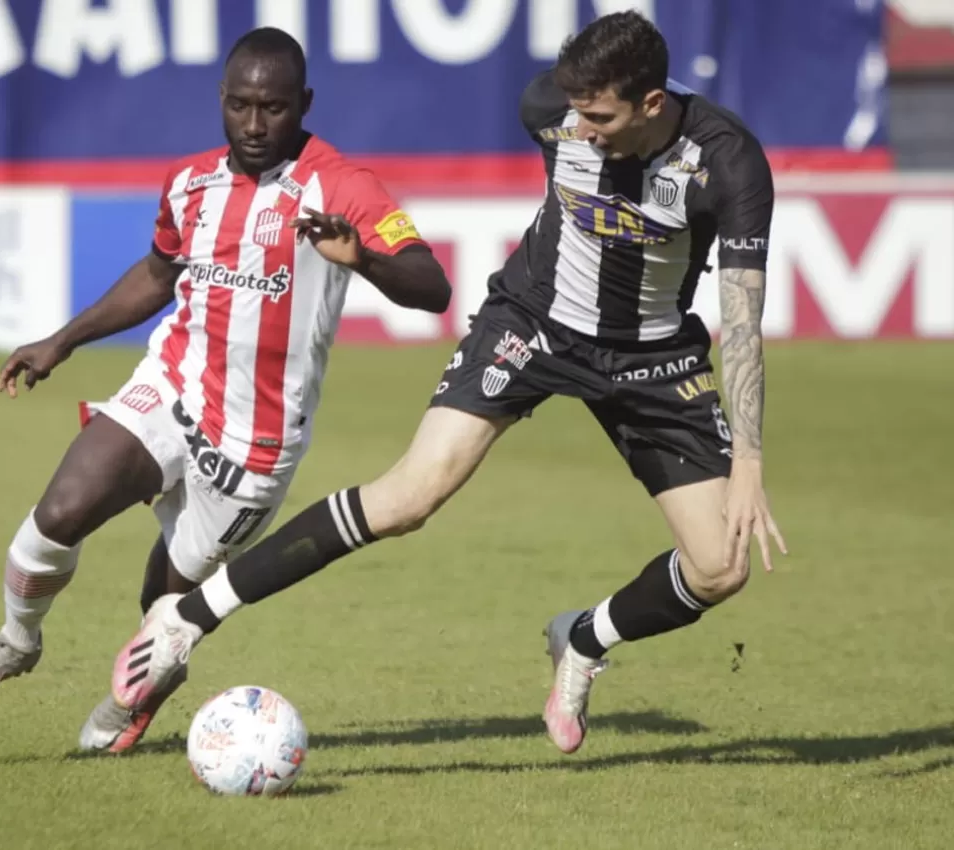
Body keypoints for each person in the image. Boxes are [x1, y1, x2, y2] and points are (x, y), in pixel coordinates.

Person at [111, 11, 790, 756]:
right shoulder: (549, 110)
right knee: (409, 496)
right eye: (577, 114)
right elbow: (569, 116)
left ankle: (583, 639)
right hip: (533, 324)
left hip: (651, 357)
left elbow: (743, 319)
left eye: (601, 118)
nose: (583, 130)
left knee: (721, 567)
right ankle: (187, 618)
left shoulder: (727, 162)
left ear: (653, 104)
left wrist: (750, 461)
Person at [0, 27, 451, 754]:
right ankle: (16, 641)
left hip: (256, 442)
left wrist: (359, 255)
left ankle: (136, 703)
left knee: (165, 608)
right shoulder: (190, 182)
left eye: (273, 107)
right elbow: (156, 274)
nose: (255, 124)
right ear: (221, 100)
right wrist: (63, 340)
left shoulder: (344, 187)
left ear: (303, 103)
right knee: (59, 512)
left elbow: (431, 286)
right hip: (172, 386)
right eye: (239, 105)